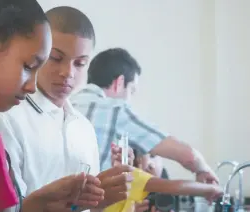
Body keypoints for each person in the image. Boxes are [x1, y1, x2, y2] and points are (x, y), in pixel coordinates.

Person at [0, 6, 133, 212]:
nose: (68, 73)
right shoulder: (5, 117)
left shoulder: (84, 127)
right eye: (55, 58)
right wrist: (62, 200)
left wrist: (103, 195)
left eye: (80, 63)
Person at [70, 47, 219, 186]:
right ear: (119, 82)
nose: (130, 99)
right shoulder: (115, 110)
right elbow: (187, 156)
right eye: (132, 90)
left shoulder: (68, 103)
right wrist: (203, 169)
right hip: (84, 210)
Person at [104, 148, 223, 212]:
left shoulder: (135, 186)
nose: (150, 164)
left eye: (153, 156)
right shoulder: (132, 177)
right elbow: (176, 187)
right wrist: (211, 189)